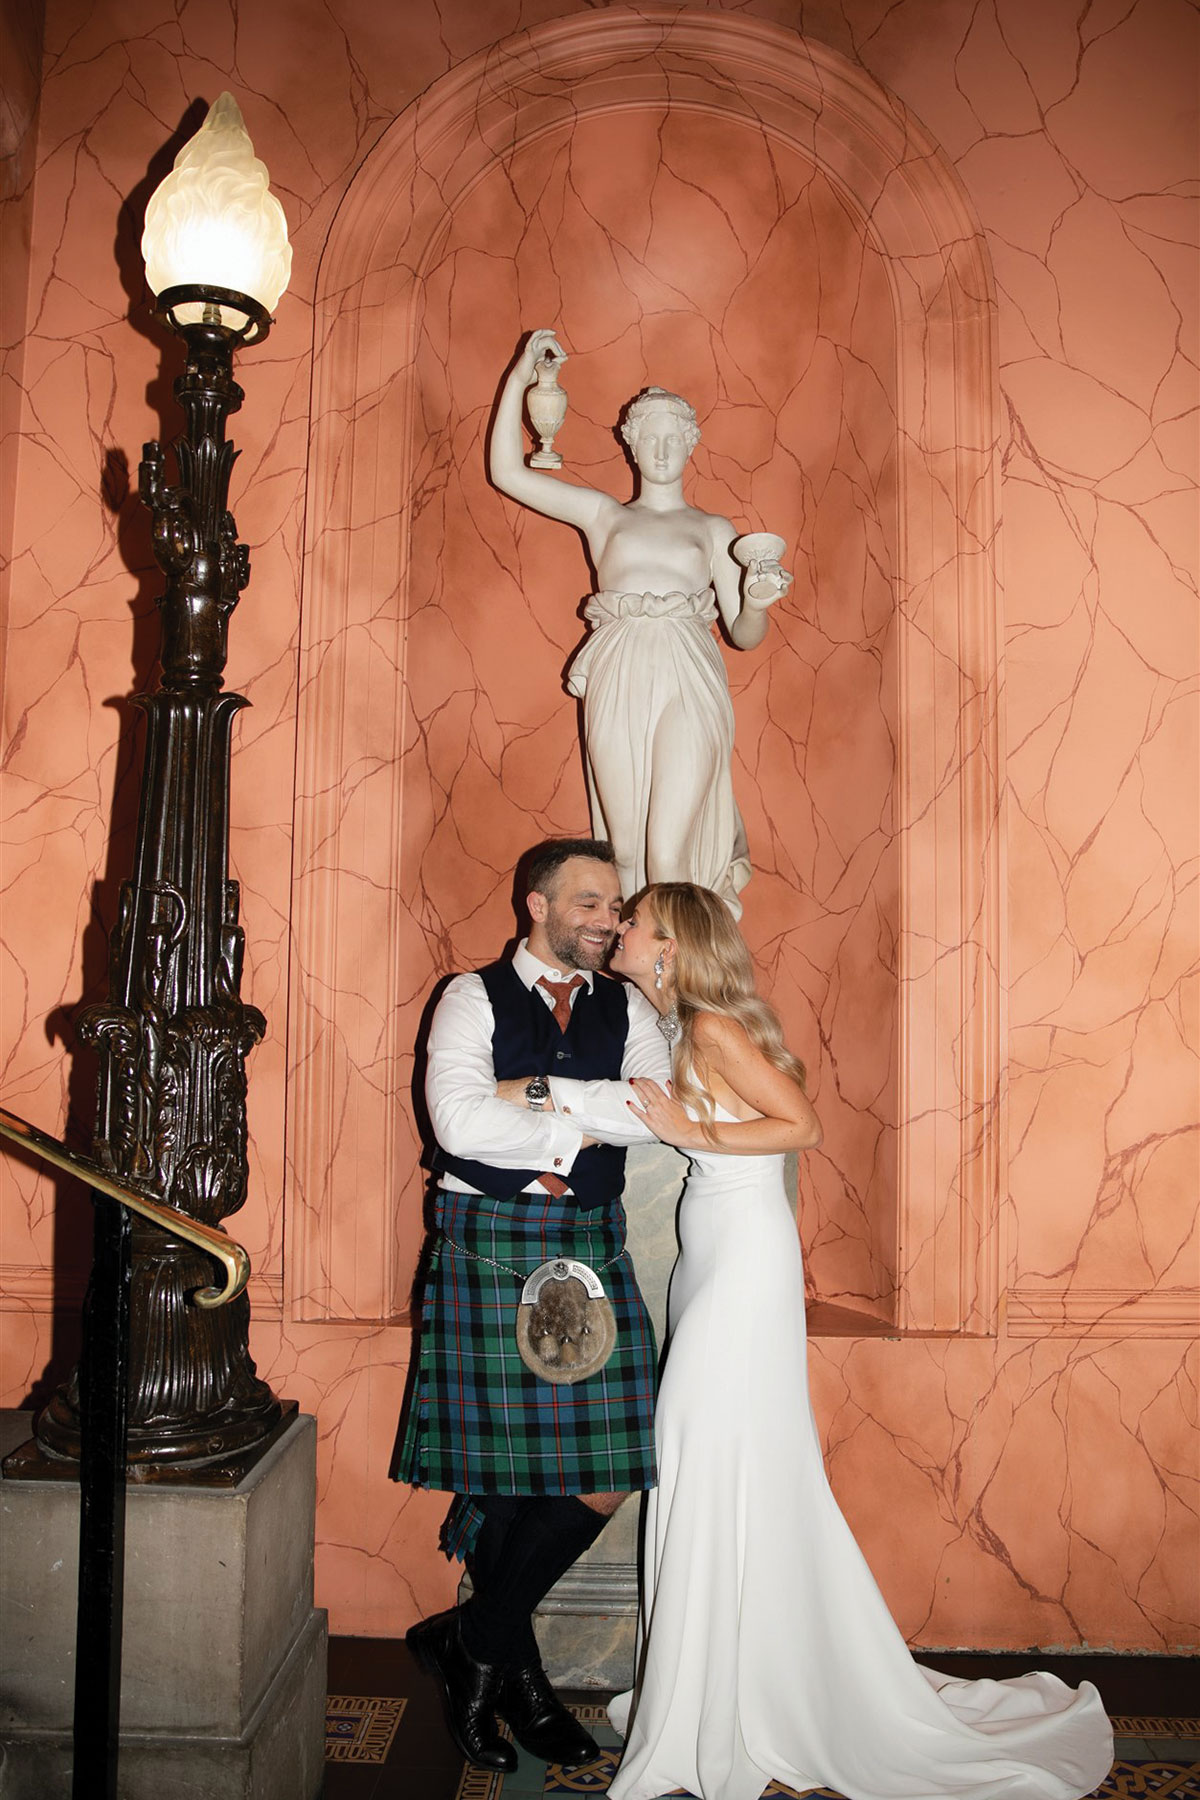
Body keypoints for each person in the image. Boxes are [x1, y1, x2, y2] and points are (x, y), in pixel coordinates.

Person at [561, 882, 1113, 1800]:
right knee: (715, 1459)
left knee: (706, 1452)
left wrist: (689, 1127)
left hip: (743, 1267)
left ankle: (720, 1699)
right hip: (714, 1256)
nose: (621, 928)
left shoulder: (711, 1028)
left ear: (671, 945)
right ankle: (717, 1686)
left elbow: (803, 1126)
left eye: (637, 921)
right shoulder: (680, 1022)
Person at [395, 838, 671, 1775]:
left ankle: (471, 1640)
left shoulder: (630, 1007)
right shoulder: (468, 997)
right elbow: (458, 1122)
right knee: (507, 1479)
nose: (607, 919)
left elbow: (652, 1111)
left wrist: (542, 1095)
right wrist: (581, 1125)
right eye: (588, 901)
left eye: (615, 905)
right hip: (485, 1242)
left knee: (613, 1466)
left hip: (589, 1247)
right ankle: (517, 1677)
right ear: (537, 905)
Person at [490, 329, 792, 918]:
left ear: (691, 444)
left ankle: (673, 975)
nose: (660, 450)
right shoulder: (604, 516)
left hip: (687, 674)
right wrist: (521, 377)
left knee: (668, 851)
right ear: (630, 445)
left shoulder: (712, 530)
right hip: (620, 672)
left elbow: (744, 634)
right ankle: (630, 975)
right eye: (649, 437)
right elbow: (506, 471)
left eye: (672, 438)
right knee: (625, 852)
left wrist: (756, 603)